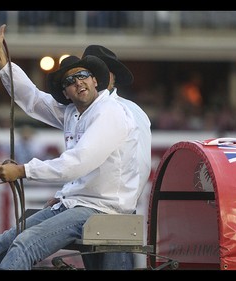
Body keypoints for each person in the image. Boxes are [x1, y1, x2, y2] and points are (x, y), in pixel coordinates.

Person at [0, 24, 140, 270]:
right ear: (65, 91)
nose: (78, 82)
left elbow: (78, 162)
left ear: (95, 80)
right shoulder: (73, 112)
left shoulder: (111, 112)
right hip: (73, 204)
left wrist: (23, 171)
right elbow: (32, 98)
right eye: (70, 80)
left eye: (82, 75)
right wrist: (0, 59)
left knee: (24, 244)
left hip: (102, 209)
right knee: (3, 242)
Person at [80, 45, 152, 270]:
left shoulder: (127, 110)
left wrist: (123, 204)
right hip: (91, 207)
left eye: (98, 71)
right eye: (90, 72)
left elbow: (140, 164)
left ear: (111, 77)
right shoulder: (87, 111)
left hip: (114, 210)